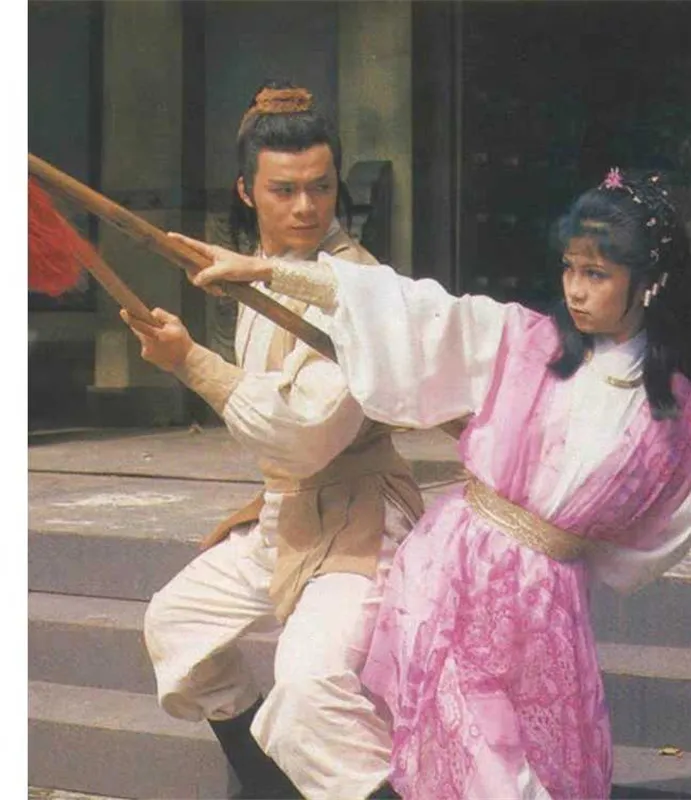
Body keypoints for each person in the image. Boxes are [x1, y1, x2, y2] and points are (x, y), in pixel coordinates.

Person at [173, 167, 691, 800]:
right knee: (479, 757)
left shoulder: (684, 419)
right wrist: (269, 272)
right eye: (569, 268)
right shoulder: (527, 342)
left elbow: (652, 540)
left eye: (596, 274)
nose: (574, 289)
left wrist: (558, 549)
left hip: (549, 600)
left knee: (524, 763)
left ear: (649, 283)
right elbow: (414, 311)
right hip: (456, 573)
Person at [121, 81, 423, 800]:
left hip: (358, 519)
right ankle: (273, 792)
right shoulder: (254, 274)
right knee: (178, 622)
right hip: (288, 513)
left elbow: (306, 434)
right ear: (247, 191)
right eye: (284, 190)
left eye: (321, 187)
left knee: (309, 689)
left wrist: (190, 362)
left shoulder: (358, 285)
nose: (306, 207)